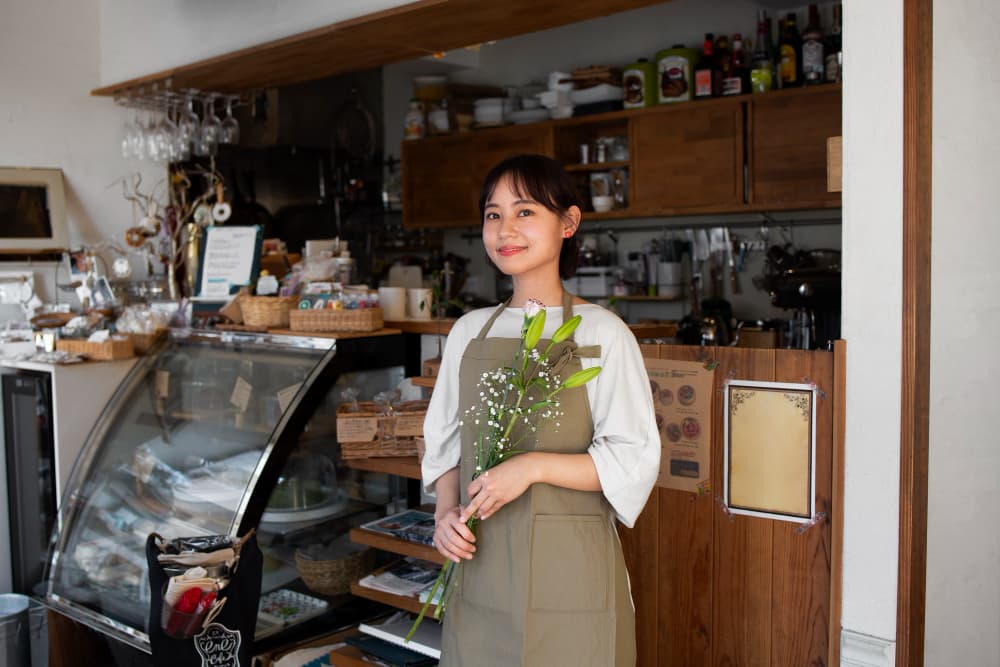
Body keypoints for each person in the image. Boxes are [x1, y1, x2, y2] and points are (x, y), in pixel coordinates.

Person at [421, 154, 660, 666]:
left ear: (568, 223)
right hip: (481, 567)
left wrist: (530, 468)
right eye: (492, 214)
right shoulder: (468, 331)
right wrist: (444, 513)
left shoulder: (602, 332)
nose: (505, 228)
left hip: (573, 574)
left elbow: (632, 457)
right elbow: (443, 442)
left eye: (525, 211)